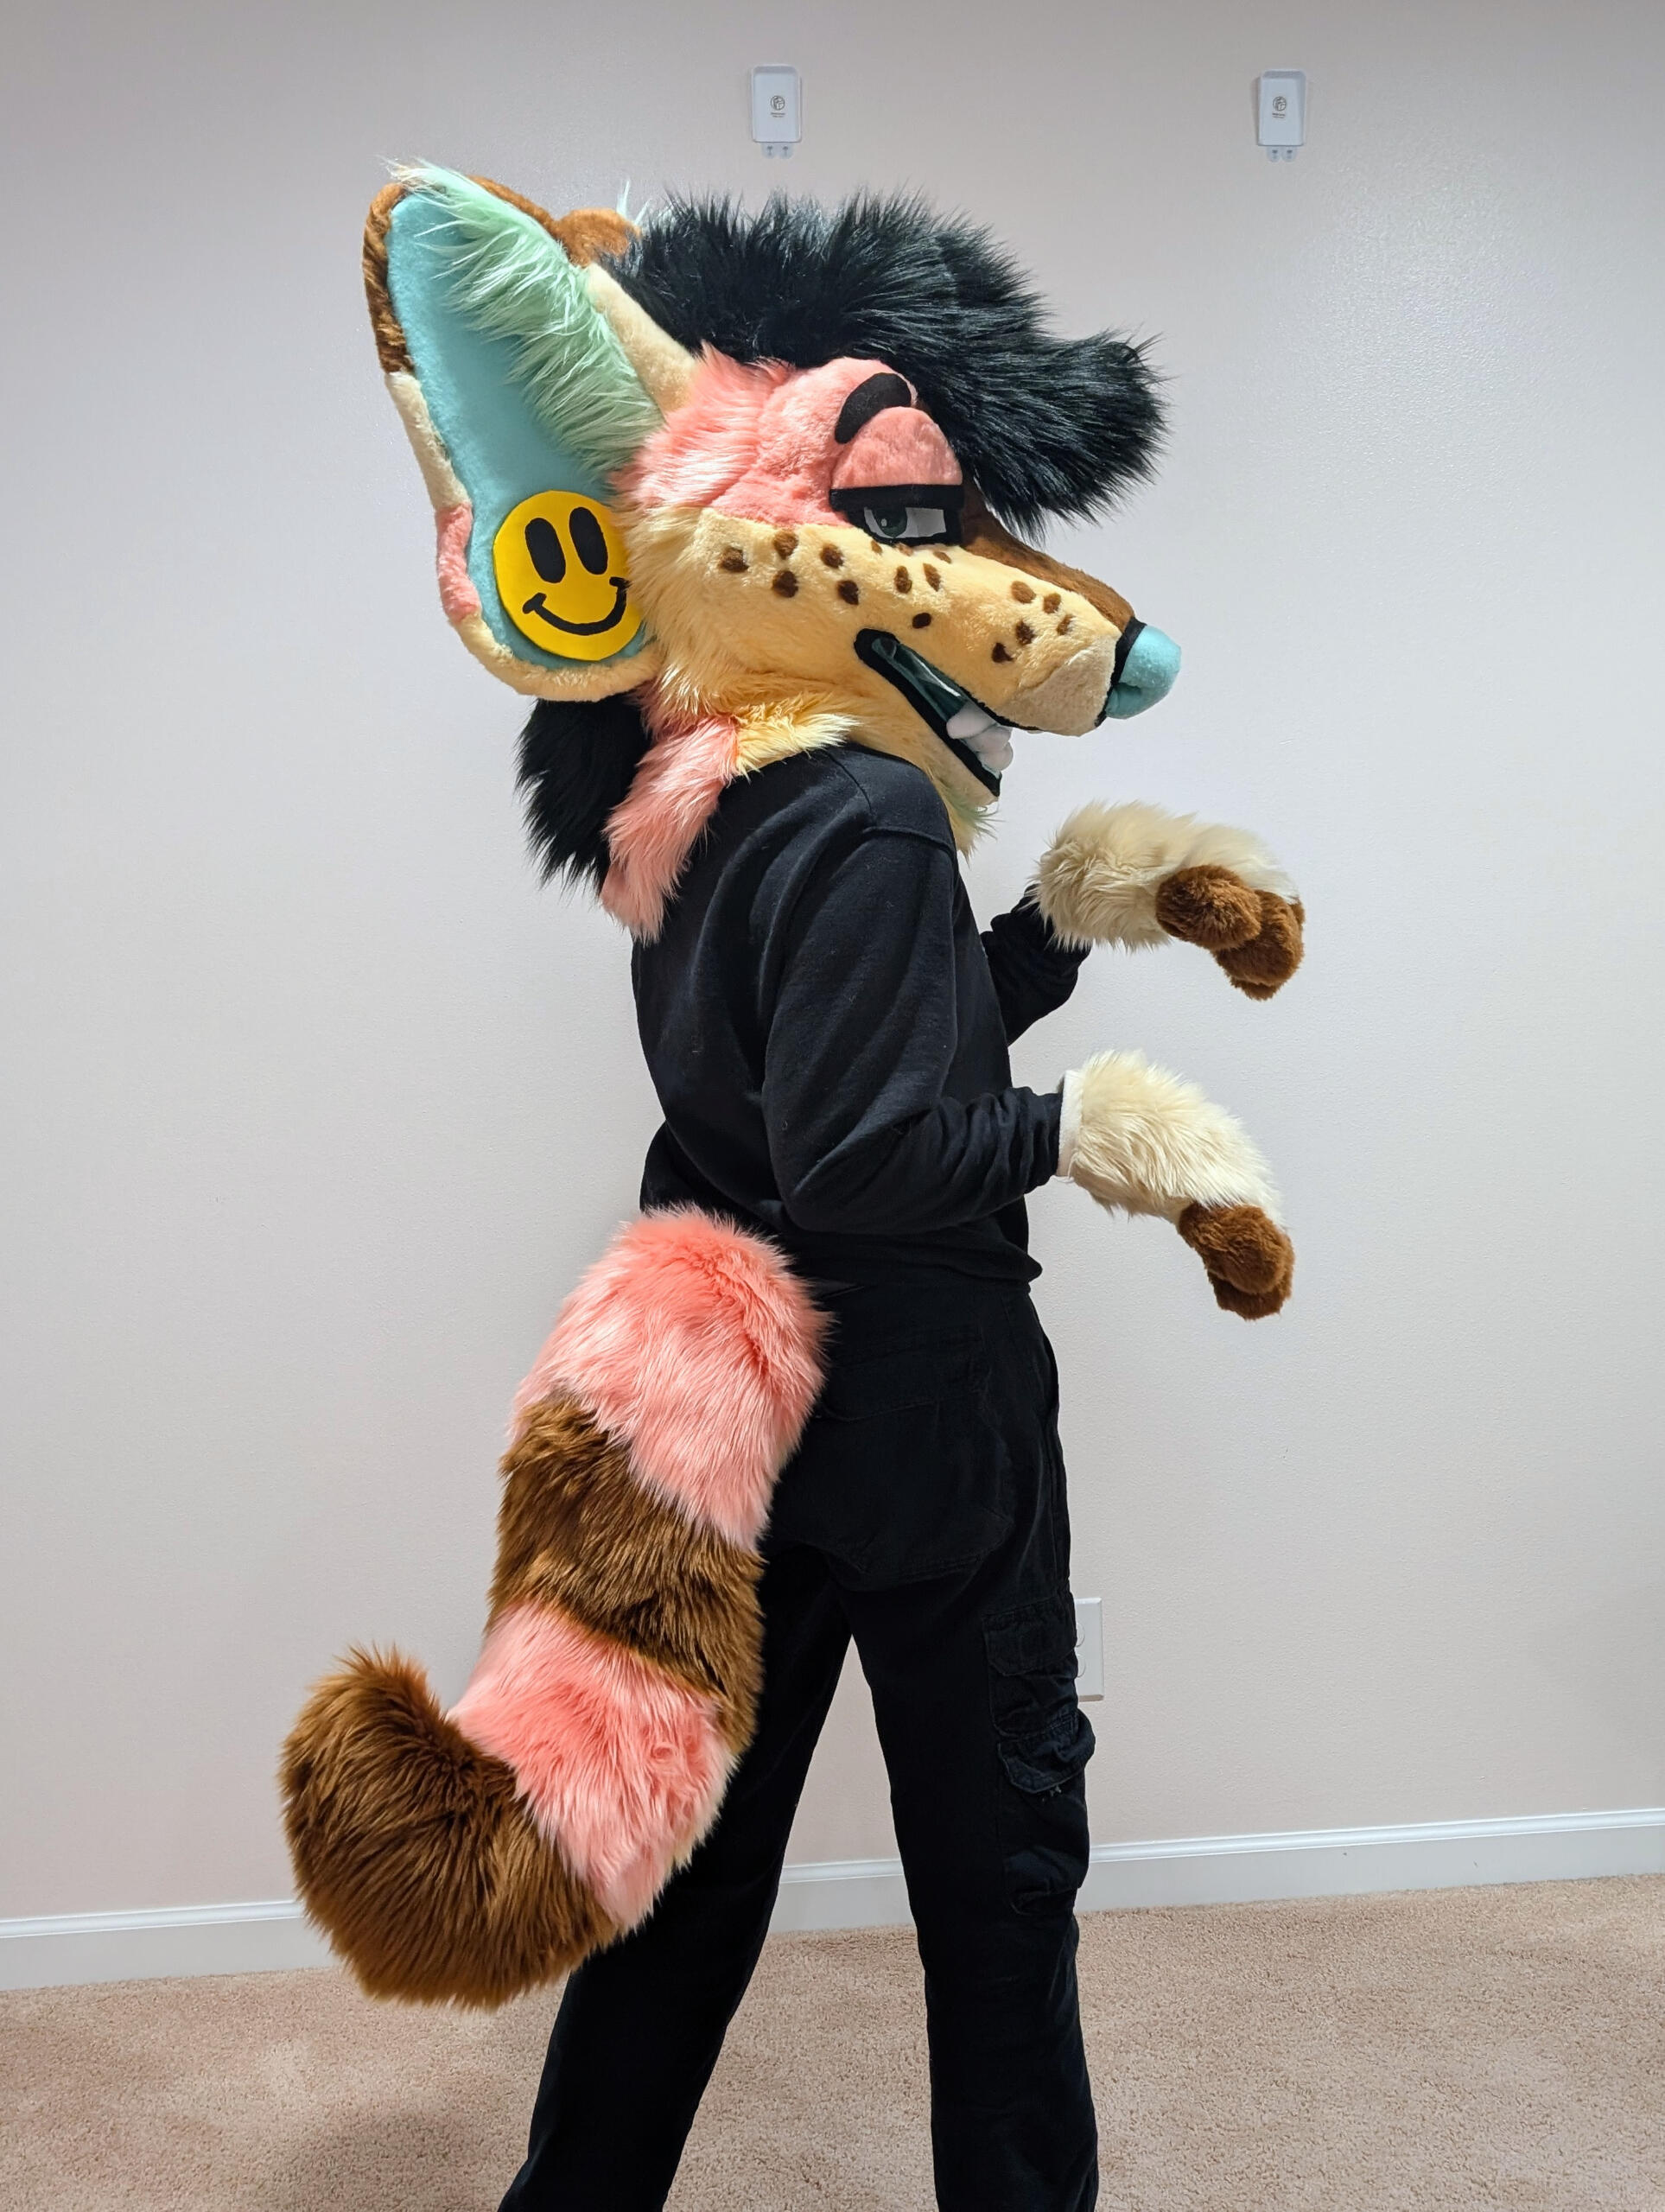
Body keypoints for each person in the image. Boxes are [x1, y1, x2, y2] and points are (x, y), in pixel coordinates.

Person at [500, 741, 1100, 2212]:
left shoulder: (691, 798)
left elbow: (848, 1045)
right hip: (918, 1399)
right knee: (1000, 1870)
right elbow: (857, 1157)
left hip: (730, 1380)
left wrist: (1043, 939)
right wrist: (1078, 1127)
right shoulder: (881, 806)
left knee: (689, 1867)